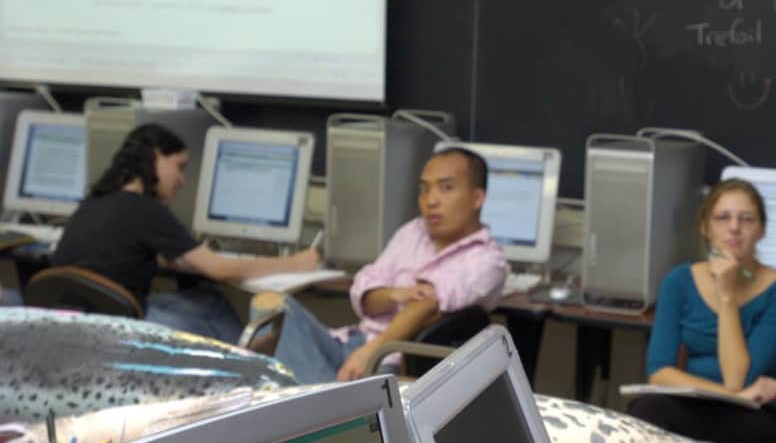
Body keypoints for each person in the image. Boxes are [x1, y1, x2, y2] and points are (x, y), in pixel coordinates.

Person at [260, 146, 509, 384]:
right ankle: (322, 402)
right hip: (352, 342)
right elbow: (365, 290)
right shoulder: (412, 232)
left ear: (477, 198)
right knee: (271, 307)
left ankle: (319, 406)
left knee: (283, 382)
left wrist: (371, 351)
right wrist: (394, 295)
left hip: (389, 360)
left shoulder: (487, 261)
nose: (431, 200)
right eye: (424, 190)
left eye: (446, 188)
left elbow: (428, 305)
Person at [52, 124, 320, 343]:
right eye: (179, 166)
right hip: (119, 326)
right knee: (212, 315)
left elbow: (114, 255)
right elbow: (220, 270)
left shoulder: (96, 201)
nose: (182, 179)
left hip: (78, 324)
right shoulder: (146, 209)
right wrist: (295, 263)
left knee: (207, 300)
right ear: (155, 157)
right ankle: (245, 371)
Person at [627, 179, 776, 443]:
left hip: (755, 417)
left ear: (762, 230)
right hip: (695, 405)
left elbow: (737, 378)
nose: (734, 227)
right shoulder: (679, 281)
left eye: (747, 219)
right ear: (704, 228)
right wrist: (731, 395)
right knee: (646, 409)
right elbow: (660, 372)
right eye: (722, 218)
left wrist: (727, 296)